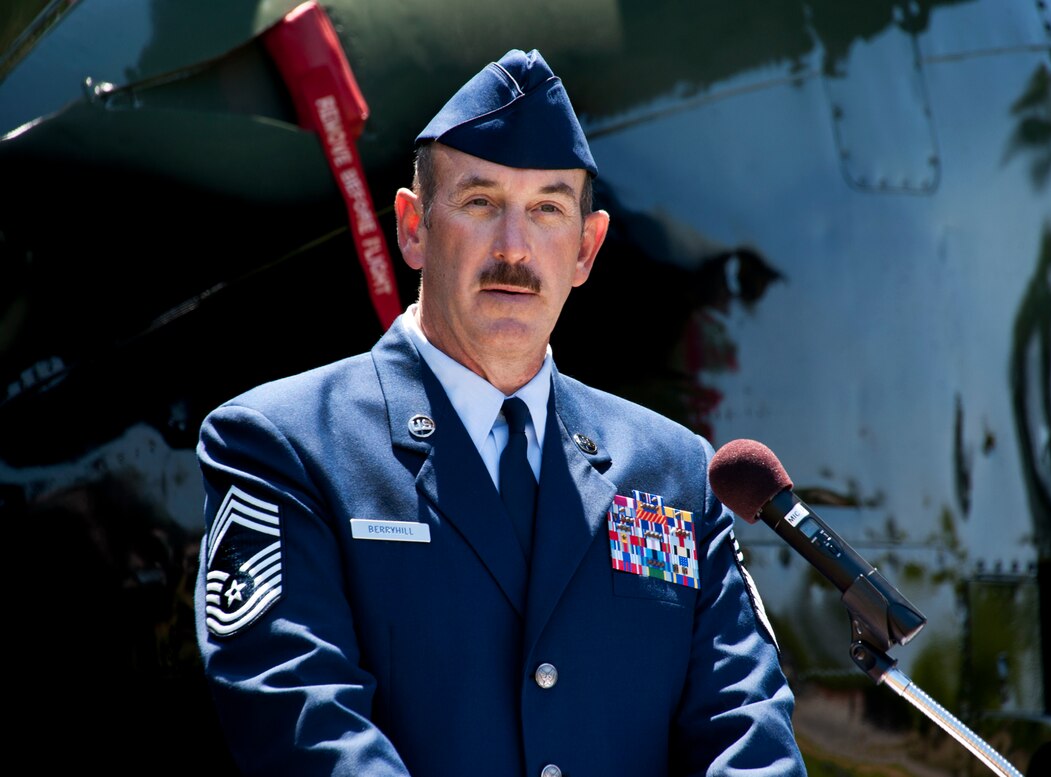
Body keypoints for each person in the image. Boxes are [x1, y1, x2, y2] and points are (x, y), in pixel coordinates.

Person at [195, 48, 807, 777]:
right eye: (481, 202)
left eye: (547, 209)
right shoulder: (287, 448)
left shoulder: (673, 473)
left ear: (585, 248)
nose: (514, 249)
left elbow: (746, 729)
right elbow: (304, 724)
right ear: (414, 227)